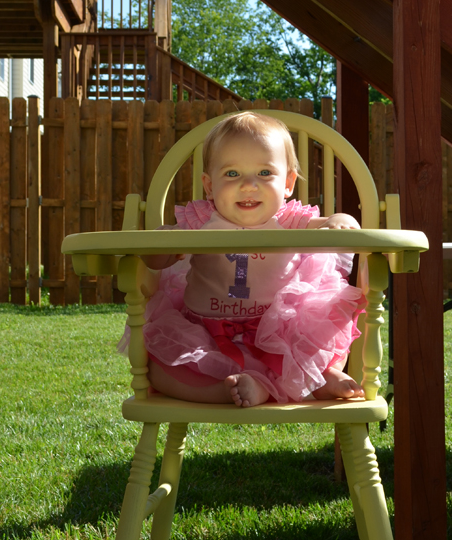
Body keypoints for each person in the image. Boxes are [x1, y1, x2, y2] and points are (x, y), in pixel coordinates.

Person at [138, 112, 366, 408]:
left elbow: (328, 222)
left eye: (264, 173)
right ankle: (234, 390)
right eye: (232, 174)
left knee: (314, 344)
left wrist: (341, 220)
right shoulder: (202, 220)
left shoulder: (288, 219)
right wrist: (160, 243)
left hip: (279, 331)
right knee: (158, 372)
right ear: (209, 186)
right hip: (206, 331)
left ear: (288, 183)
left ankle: (318, 378)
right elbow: (155, 258)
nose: (248, 185)